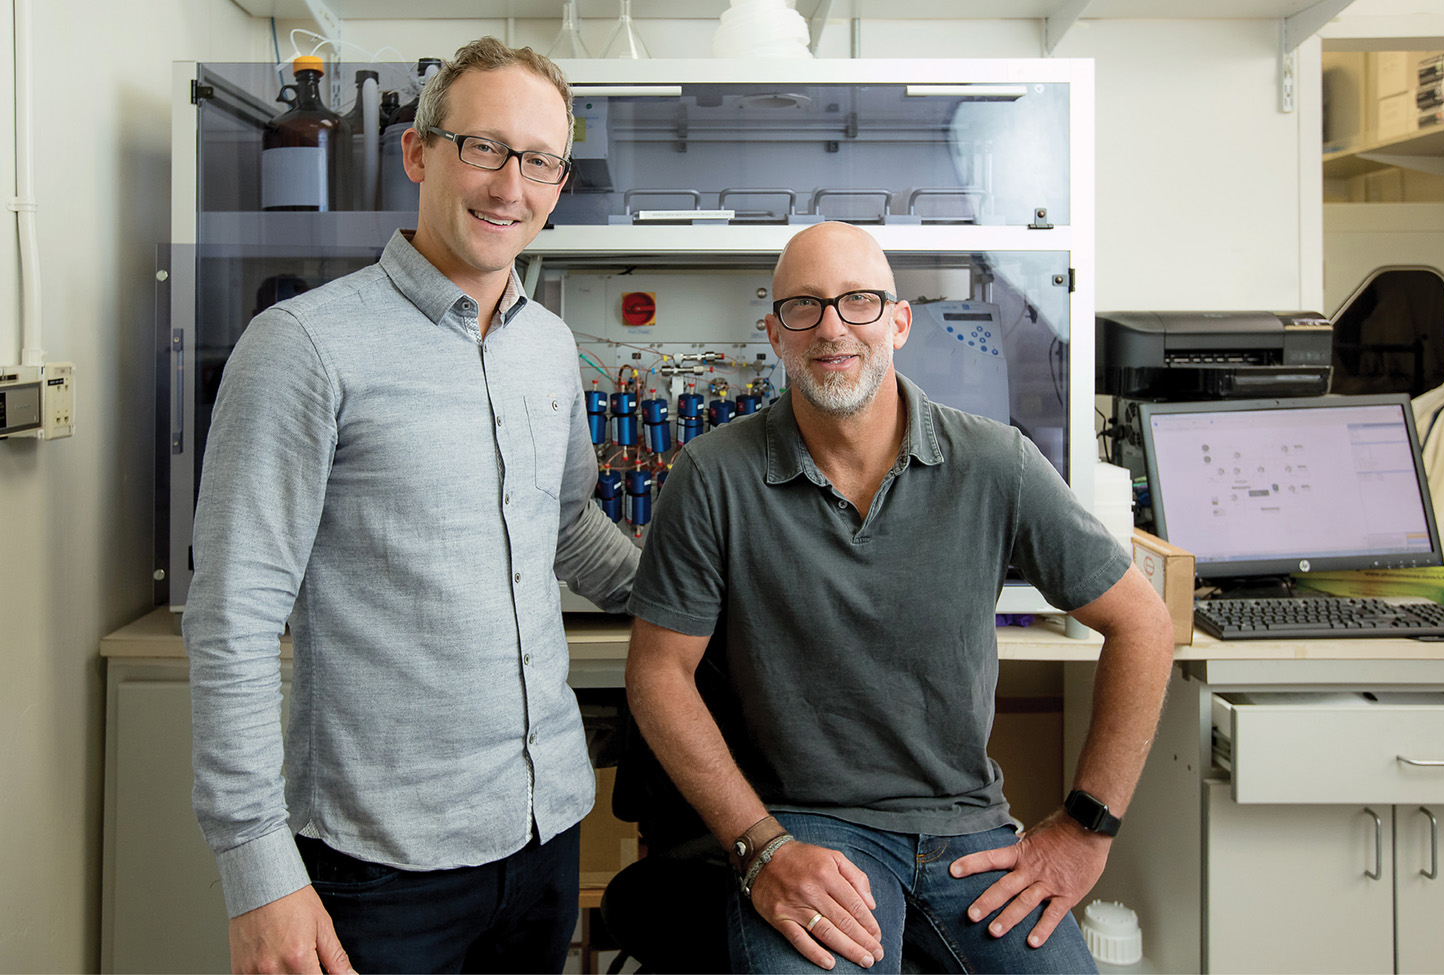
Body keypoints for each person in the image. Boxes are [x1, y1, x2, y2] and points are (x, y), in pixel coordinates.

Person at [184, 38, 638, 975]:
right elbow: (231, 619)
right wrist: (258, 872)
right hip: (378, 863)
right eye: (484, 147)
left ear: (558, 184)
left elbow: (566, 525)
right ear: (420, 153)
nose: (511, 184)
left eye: (540, 161)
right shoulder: (303, 347)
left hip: (545, 829)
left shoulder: (551, 347)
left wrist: (706, 590)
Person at [625, 221, 1175, 974]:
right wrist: (761, 844)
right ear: (774, 334)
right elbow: (658, 674)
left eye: (858, 302)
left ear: (899, 321)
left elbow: (1143, 622)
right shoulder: (713, 475)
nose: (831, 327)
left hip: (968, 831)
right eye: (804, 307)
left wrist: (1087, 828)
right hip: (805, 830)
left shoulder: (995, 462)